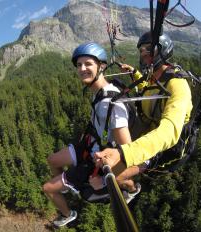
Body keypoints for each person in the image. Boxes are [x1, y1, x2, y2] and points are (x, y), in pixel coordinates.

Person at [42, 42, 140, 227]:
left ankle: (68, 212)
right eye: (79, 65)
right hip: (91, 144)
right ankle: (68, 186)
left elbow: (129, 151)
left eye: (88, 64)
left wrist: (103, 179)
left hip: (98, 157)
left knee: (47, 188)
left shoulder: (112, 103)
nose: (82, 69)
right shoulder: (100, 92)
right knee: (52, 160)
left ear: (101, 66)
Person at [94, 32, 193, 177]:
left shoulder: (178, 85)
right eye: (141, 50)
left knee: (110, 179)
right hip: (146, 132)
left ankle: (131, 188)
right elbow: (148, 92)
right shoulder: (156, 78)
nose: (144, 53)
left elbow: (169, 132)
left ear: (163, 50)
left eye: (149, 49)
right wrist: (134, 73)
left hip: (163, 147)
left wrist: (124, 153)